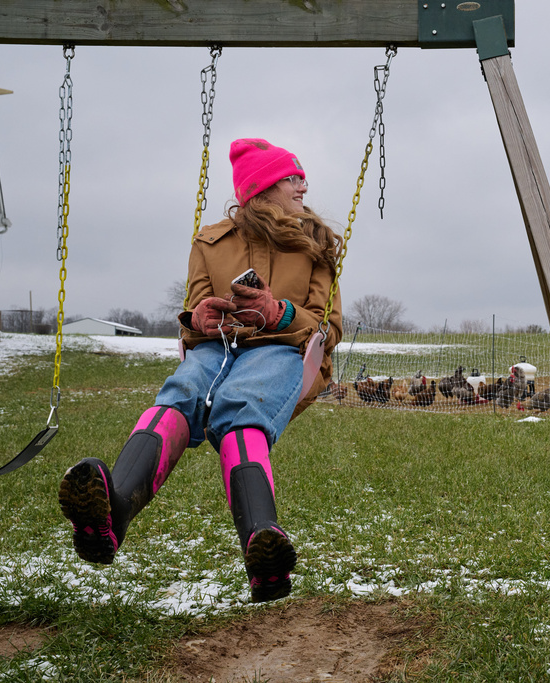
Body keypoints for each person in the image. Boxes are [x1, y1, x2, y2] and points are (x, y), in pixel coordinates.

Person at [58, 138, 343, 603]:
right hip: (218, 347)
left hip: (283, 349)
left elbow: (326, 327)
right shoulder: (210, 242)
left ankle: (262, 544)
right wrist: (198, 319)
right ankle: (111, 515)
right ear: (264, 187)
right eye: (293, 178)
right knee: (182, 390)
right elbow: (193, 318)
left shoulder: (316, 246)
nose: (303, 186)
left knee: (241, 404)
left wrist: (278, 312)